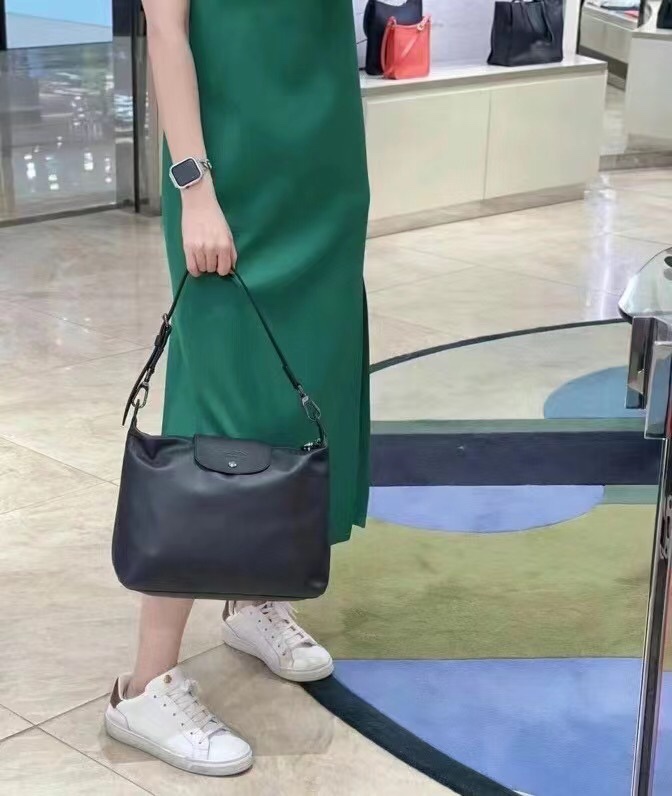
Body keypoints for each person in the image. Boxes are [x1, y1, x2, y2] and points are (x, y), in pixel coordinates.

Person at [103, 0, 370, 778]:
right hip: (226, 174)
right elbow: (168, 29)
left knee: (301, 394)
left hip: (323, 167)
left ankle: (253, 599)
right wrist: (193, 185)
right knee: (213, 410)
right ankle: (144, 686)